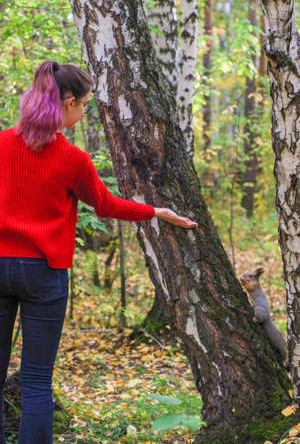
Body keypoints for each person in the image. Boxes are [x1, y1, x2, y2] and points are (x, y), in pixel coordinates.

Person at [0, 61, 197, 444]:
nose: (84, 110)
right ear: (68, 102)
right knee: (37, 379)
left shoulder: (1, 145)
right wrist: (156, 212)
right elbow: (106, 205)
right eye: (84, 104)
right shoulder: (72, 159)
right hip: (43, 274)